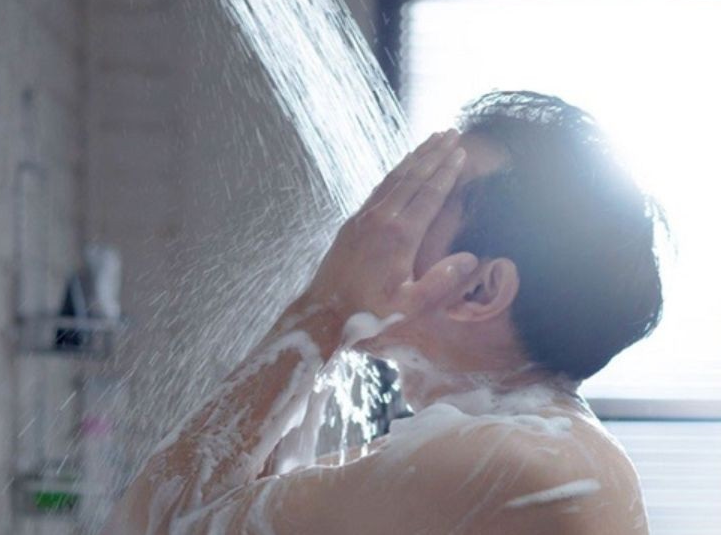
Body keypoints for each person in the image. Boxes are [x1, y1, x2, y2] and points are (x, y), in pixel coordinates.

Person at [102, 91, 662, 534]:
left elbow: (151, 526)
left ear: (479, 291)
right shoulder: (534, 448)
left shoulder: (508, 462)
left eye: (424, 199)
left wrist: (328, 305)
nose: (377, 222)